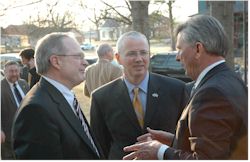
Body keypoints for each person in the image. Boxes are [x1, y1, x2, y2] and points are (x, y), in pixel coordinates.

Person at [123, 15, 248, 160]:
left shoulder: (212, 93)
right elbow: (219, 143)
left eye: (180, 49)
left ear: (198, 49)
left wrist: (160, 151)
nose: (177, 57)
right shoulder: (231, 79)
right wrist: (175, 140)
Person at [90, 31, 188, 159]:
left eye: (143, 53)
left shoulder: (176, 89)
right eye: (131, 53)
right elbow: (100, 146)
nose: (139, 59)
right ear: (118, 58)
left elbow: (186, 139)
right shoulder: (101, 97)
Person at [12, 32, 104, 159]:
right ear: (56, 61)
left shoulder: (63, 96)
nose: (85, 63)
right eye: (78, 56)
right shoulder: (36, 110)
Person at [1, 61, 29, 159]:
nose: (14, 74)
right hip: (9, 133)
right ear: (5, 72)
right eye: (11, 71)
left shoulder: (23, 83)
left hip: (27, 129)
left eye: (16, 71)